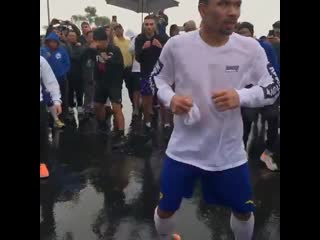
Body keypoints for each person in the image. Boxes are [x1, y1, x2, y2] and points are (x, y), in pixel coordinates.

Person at [152, 0, 280, 239]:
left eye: (237, 4)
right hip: (183, 150)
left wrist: (241, 96)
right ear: (202, 9)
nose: (233, 12)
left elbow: (273, 87)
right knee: (166, 209)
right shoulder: (177, 45)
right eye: (223, 4)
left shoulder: (250, 48)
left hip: (228, 151)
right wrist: (171, 99)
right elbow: (156, 80)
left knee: (244, 211)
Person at [237, 22, 280, 171]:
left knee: (273, 120)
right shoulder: (236, 50)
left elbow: (275, 70)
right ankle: (241, 155)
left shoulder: (265, 47)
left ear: (252, 33)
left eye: (246, 33)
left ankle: (267, 153)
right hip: (249, 94)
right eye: (240, 33)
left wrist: (275, 93)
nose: (244, 36)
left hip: (267, 93)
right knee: (245, 124)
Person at [83, 27, 126, 147]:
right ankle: (102, 126)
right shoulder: (94, 50)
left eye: (97, 41)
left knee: (116, 108)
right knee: (97, 106)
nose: (96, 44)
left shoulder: (114, 49)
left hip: (114, 83)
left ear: (104, 41)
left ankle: (121, 134)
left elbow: (117, 64)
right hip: (101, 82)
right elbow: (85, 57)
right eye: (94, 41)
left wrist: (105, 58)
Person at [135, 15, 169, 133]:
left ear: (155, 25)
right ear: (144, 26)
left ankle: (166, 123)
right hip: (145, 73)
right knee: (146, 101)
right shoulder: (139, 39)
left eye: (151, 24)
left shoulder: (162, 37)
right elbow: (138, 58)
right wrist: (144, 49)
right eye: (147, 24)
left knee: (163, 100)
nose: (149, 27)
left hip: (161, 74)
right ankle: (147, 122)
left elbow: (168, 56)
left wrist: (161, 47)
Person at [40, 32, 70, 127]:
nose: (52, 44)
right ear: (47, 42)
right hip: (45, 81)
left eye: (54, 42)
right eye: (51, 42)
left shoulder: (62, 51)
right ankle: (51, 119)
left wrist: (62, 72)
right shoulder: (43, 51)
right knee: (48, 99)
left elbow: (67, 63)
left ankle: (61, 117)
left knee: (62, 99)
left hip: (60, 79)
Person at [40, 56, 62, 178]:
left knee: (41, 133)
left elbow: (50, 81)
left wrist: (56, 100)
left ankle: (41, 163)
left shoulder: (41, 61)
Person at [113, 24, 138, 115]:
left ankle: (134, 105)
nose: (119, 31)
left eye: (120, 29)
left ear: (123, 30)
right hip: (117, 69)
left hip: (128, 68)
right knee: (117, 88)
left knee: (131, 87)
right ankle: (118, 105)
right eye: (117, 29)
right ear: (114, 31)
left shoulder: (128, 42)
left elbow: (133, 54)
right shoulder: (113, 41)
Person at [66, 30, 85, 118]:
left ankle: (80, 105)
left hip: (78, 73)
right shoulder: (64, 46)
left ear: (76, 37)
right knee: (69, 90)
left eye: (73, 36)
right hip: (68, 73)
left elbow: (76, 56)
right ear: (67, 37)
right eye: (70, 35)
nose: (72, 37)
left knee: (79, 91)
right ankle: (70, 106)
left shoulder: (80, 47)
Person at [128, 31, 142, 117]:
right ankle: (136, 108)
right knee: (136, 89)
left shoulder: (155, 36)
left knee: (149, 90)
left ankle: (148, 107)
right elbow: (130, 49)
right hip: (137, 68)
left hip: (149, 68)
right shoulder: (137, 37)